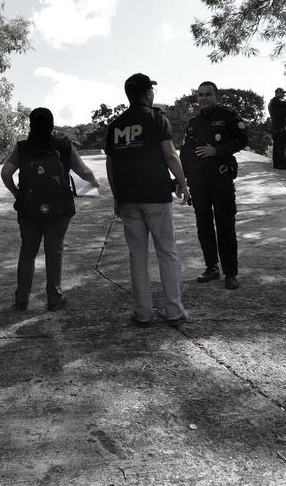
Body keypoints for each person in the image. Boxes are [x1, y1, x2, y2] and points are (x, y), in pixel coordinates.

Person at [105, 73, 190, 327]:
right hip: (155, 196)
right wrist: (183, 183)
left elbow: (111, 165)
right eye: (150, 90)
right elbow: (170, 155)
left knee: (137, 256)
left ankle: (143, 313)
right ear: (146, 94)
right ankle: (174, 311)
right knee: (167, 252)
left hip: (129, 198)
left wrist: (116, 196)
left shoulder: (116, 125)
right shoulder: (156, 117)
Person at [1, 107, 99, 312]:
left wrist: (17, 193)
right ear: (52, 125)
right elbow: (82, 170)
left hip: (28, 208)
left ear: (31, 125)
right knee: (54, 251)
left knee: (27, 251)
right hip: (59, 207)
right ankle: (54, 298)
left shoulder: (22, 148)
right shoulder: (63, 146)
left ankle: (21, 299)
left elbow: (5, 173)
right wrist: (94, 181)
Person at [179, 81, 248, 290]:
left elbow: (242, 139)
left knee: (225, 227)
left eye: (208, 94)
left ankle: (231, 273)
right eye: (200, 95)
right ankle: (212, 268)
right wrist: (181, 181)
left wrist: (217, 151)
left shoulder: (228, 116)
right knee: (204, 226)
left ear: (215, 95)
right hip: (199, 183)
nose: (203, 98)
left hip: (221, 180)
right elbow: (185, 153)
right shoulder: (193, 122)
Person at [268, 87, 286, 170]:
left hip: (275, 126)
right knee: (281, 146)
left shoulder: (273, 102)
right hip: (279, 126)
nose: (283, 95)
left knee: (277, 146)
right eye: (282, 93)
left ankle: (277, 164)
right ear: (278, 93)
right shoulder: (276, 101)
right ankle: (281, 164)